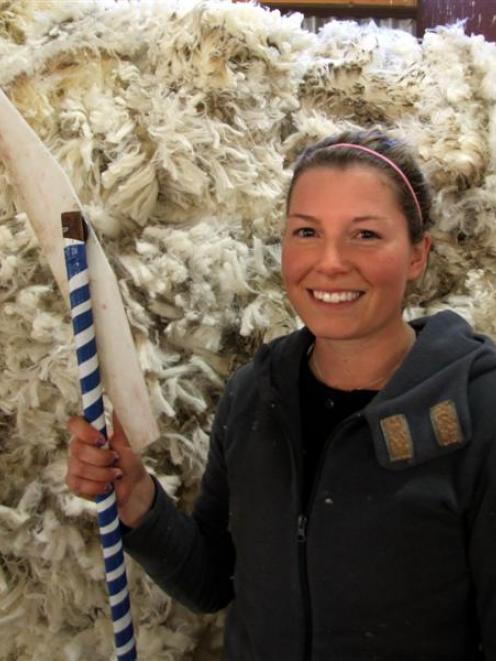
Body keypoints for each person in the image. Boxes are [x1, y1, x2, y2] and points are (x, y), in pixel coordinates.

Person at [65, 129, 496, 661]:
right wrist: (138, 502)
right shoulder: (254, 396)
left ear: (417, 254)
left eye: (364, 234)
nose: (331, 262)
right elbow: (213, 583)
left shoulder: (480, 412)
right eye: (307, 232)